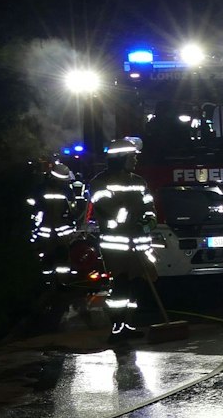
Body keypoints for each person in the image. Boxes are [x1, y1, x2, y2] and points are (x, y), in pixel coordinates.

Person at [88, 140, 156, 345]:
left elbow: (149, 207)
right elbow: (107, 207)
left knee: (136, 285)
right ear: (120, 159)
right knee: (121, 285)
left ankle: (127, 323)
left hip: (138, 243)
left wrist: (147, 222)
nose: (135, 159)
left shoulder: (139, 182)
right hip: (116, 246)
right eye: (131, 156)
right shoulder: (99, 183)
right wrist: (128, 220)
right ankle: (116, 326)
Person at [27, 148, 88, 284]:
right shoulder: (66, 191)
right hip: (61, 233)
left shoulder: (41, 189)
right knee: (62, 258)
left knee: (47, 258)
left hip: (45, 232)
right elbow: (73, 211)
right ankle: (61, 283)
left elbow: (33, 209)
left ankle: (48, 282)